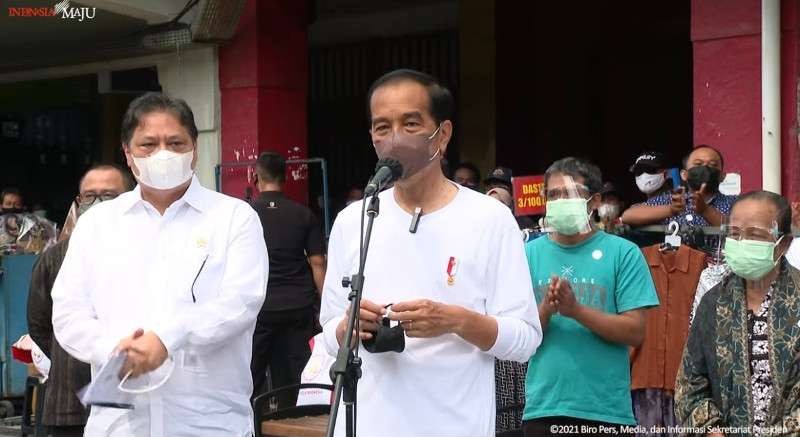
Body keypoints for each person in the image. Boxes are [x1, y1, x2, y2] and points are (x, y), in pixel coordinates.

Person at [319, 69, 541, 437]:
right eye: (382, 127)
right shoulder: (353, 221)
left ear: (444, 133)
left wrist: (455, 321)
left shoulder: (490, 219)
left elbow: (525, 340)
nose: (395, 139)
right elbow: (328, 333)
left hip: (456, 424)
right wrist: (349, 327)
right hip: (368, 424)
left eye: (410, 124)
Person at [51, 92, 269, 437]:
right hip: (119, 424)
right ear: (128, 153)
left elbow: (240, 303)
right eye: (148, 144)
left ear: (194, 149)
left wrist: (168, 339)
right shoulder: (98, 224)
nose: (162, 153)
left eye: (175, 142)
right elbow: (67, 312)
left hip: (208, 422)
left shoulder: (232, 218)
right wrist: (115, 348)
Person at [522, 157, 659, 436]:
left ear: (594, 201)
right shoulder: (526, 255)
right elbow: (519, 337)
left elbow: (635, 332)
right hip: (545, 408)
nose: (561, 200)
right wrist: (547, 309)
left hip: (606, 411)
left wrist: (576, 311)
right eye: (553, 194)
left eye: (571, 194)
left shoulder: (624, 253)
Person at [675, 191, 799, 436]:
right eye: (733, 234)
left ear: (782, 244)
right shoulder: (714, 302)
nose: (741, 242)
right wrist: (711, 430)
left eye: (753, 234)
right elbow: (690, 383)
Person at [27, 164, 133, 437]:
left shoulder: (145, 252)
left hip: (130, 400)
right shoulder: (54, 257)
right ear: (78, 201)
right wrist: (75, 354)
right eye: (89, 196)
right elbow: (39, 324)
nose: (97, 203)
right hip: (69, 404)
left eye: (108, 195)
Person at [250, 151, 326, 404]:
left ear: (255, 176)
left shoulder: (245, 215)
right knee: (293, 379)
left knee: (252, 377)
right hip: (297, 307)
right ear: (285, 177)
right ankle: (289, 426)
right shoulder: (303, 214)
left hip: (259, 309)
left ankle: (257, 427)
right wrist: (326, 307)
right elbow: (318, 262)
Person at [621, 145, 734, 227]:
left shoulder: (733, 203)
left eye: (713, 165)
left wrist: (705, 210)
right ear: (684, 175)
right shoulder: (674, 200)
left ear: (722, 176)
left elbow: (738, 229)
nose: (705, 168)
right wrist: (671, 210)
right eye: (698, 164)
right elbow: (628, 216)